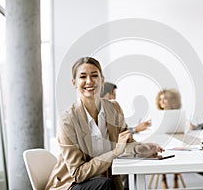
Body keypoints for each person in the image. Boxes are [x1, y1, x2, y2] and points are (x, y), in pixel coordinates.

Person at [45, 57, 164, 190]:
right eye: (83, 77)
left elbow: (126, 144)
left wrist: (146, 149)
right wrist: (114, 152)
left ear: (102, 80)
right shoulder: (68, 120)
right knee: (105, 184)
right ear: (74, 82)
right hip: (73, 184)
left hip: (107, 181)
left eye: (94, 75)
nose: (89, 81)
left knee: (123, 181)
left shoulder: (113, 108)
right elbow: (78, 174)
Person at [155, 88, 183, 189]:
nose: (161, 101)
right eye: (160, 99)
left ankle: (176, 177)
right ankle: (164, 178)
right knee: (161, 151)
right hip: (161, 140)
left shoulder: (179, 115)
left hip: (176, 139)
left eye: (165, 99)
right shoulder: (156, 115)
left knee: (178, 150)